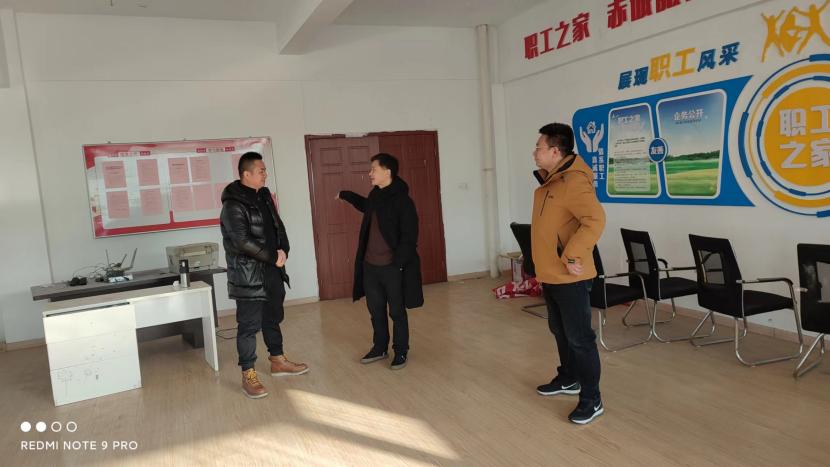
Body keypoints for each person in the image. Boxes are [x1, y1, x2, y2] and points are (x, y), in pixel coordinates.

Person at [531, 123, 606, 424]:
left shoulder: (573, 181)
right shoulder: (551, 182)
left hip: (571, 275)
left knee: (580, 339)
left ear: (555, 151)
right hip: (550, 274)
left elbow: (595, 220)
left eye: (539, 147)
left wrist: (572, 254)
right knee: (560, 332)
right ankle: (569, 378)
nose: (534, 152)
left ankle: (592, 399)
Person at [220, 151, 308, 399]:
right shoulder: (232, 205)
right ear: (246, 174)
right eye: (261, 171)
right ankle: (248, 373)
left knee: (273, 317)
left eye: (265, 170)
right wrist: (272, 257)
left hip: (272, 270)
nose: (265, 174)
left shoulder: (265, 196)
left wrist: (284, 251)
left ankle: (277, 360)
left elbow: (278, 226)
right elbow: (241, 241)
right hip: (248, 275)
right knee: (248, 326)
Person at [337, 153, 424, 370]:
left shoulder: (403, 201)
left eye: (373, 169)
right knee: (376, 311)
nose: (370, 173)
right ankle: (380, 347)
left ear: (387, 172)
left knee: (396, 312)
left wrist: (398, 264)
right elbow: (366, 206)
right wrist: (346, 195)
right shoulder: (376, 196)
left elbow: (409, 237)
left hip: (392, 267)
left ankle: (401, 350)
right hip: (370, 267)